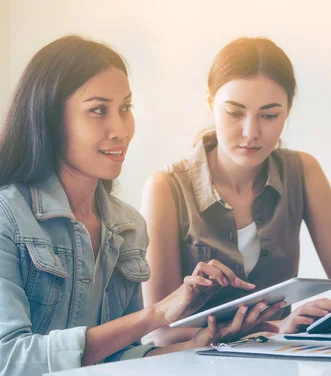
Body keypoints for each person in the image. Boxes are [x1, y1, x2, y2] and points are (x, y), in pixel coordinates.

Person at [0, 35, 281, 376]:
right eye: (98, 110)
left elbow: (118, 358)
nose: (120, 130)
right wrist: (157, 313)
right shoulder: (7, 216)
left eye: (125, 108)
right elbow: (10, 358)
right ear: (50, 118)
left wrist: (200, 343)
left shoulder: (127, 225)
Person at [141, 37, 331, 346]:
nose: (251, 132)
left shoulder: (303, 172)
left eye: (269, 115)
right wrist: (275, 327)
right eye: (235, 113)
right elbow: (160, 332)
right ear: (211, 102)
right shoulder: (166, 188)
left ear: (288, 110)